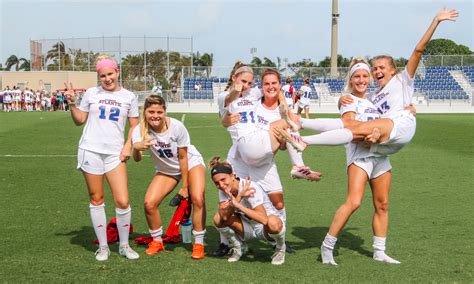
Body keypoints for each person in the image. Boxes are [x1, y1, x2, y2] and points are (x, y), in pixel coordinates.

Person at [288, 7, 458, 157]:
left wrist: (436, 21)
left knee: (352, 129)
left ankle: (303, 137)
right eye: (375, 69)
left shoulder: (402, 80)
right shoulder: (372, 94)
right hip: (383, 139)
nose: (377, 71)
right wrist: (341, 100)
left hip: (400, 127)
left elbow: (418, 51)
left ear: (393, 70)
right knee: (355, 137)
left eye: (382, 68)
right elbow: (356, 98)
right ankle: (300, 124)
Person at [320, 58, 399, 265]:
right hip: (359, 156)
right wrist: (370, 130)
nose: (361, 80)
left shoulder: (375, 99)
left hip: (380, 155)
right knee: (354, 202)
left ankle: (379, 251)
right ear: (351, 79)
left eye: (365, 76)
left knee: (382, 204)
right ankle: (327, 246)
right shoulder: (348, 100)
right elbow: (348, 125)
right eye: (357, 76)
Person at [64, 55, 140, 261]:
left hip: (115, 154)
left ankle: (124, 245)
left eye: (110, 74)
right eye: (102, 76)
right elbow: (80, 120)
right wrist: (72, 103)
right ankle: (104, 247)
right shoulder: (91, 93)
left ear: (117, 72)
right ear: (99, 77)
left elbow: (135, 125)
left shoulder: (129, 97)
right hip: (91, 150)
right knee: (97, 199)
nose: (107, 79)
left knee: (123, 201)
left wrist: (127, 146)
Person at [132, 94, 207, 260]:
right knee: (149, 203)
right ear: (145, 112)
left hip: (190, 162)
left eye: (159, 111)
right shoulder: (140, 130)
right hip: (167, 170)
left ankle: (199, 243)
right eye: (151, 111)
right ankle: (157, 241)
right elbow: (136, 159)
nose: (155, 116)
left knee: (198, 198)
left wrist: (185, 188)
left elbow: (183, 157)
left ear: (165, 111)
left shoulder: (177, 127)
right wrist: (138, 147)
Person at [209, 156, 287, 265]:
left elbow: (263, 219)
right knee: (218, 218)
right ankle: (239, 247)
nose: (221, 185)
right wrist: (239, 197)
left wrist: (238, 205)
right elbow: (224, 217)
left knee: (273, 223)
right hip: (247, 226)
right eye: (216, 183)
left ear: (232, 176)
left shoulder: (249, 187)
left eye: (223, 180)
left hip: (265, 228)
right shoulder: (223, 189)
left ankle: (280, 249)